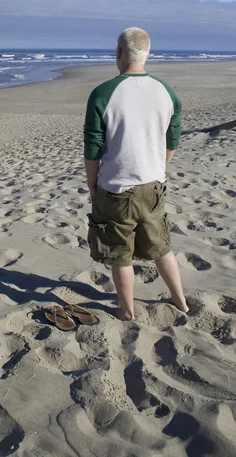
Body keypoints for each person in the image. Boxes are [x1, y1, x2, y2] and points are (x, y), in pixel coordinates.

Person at [84, 27, 189, 321]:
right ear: (147, 54)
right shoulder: (166, 91)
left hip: (116, 188)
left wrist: (91, 181)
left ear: (118, 53)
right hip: (154, 184)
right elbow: (173, 139)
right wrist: (159, 166)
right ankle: (179, 298)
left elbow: (93, 145)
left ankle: (128, 310)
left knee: (120, 254)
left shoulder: (103, 93)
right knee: (161, 246)